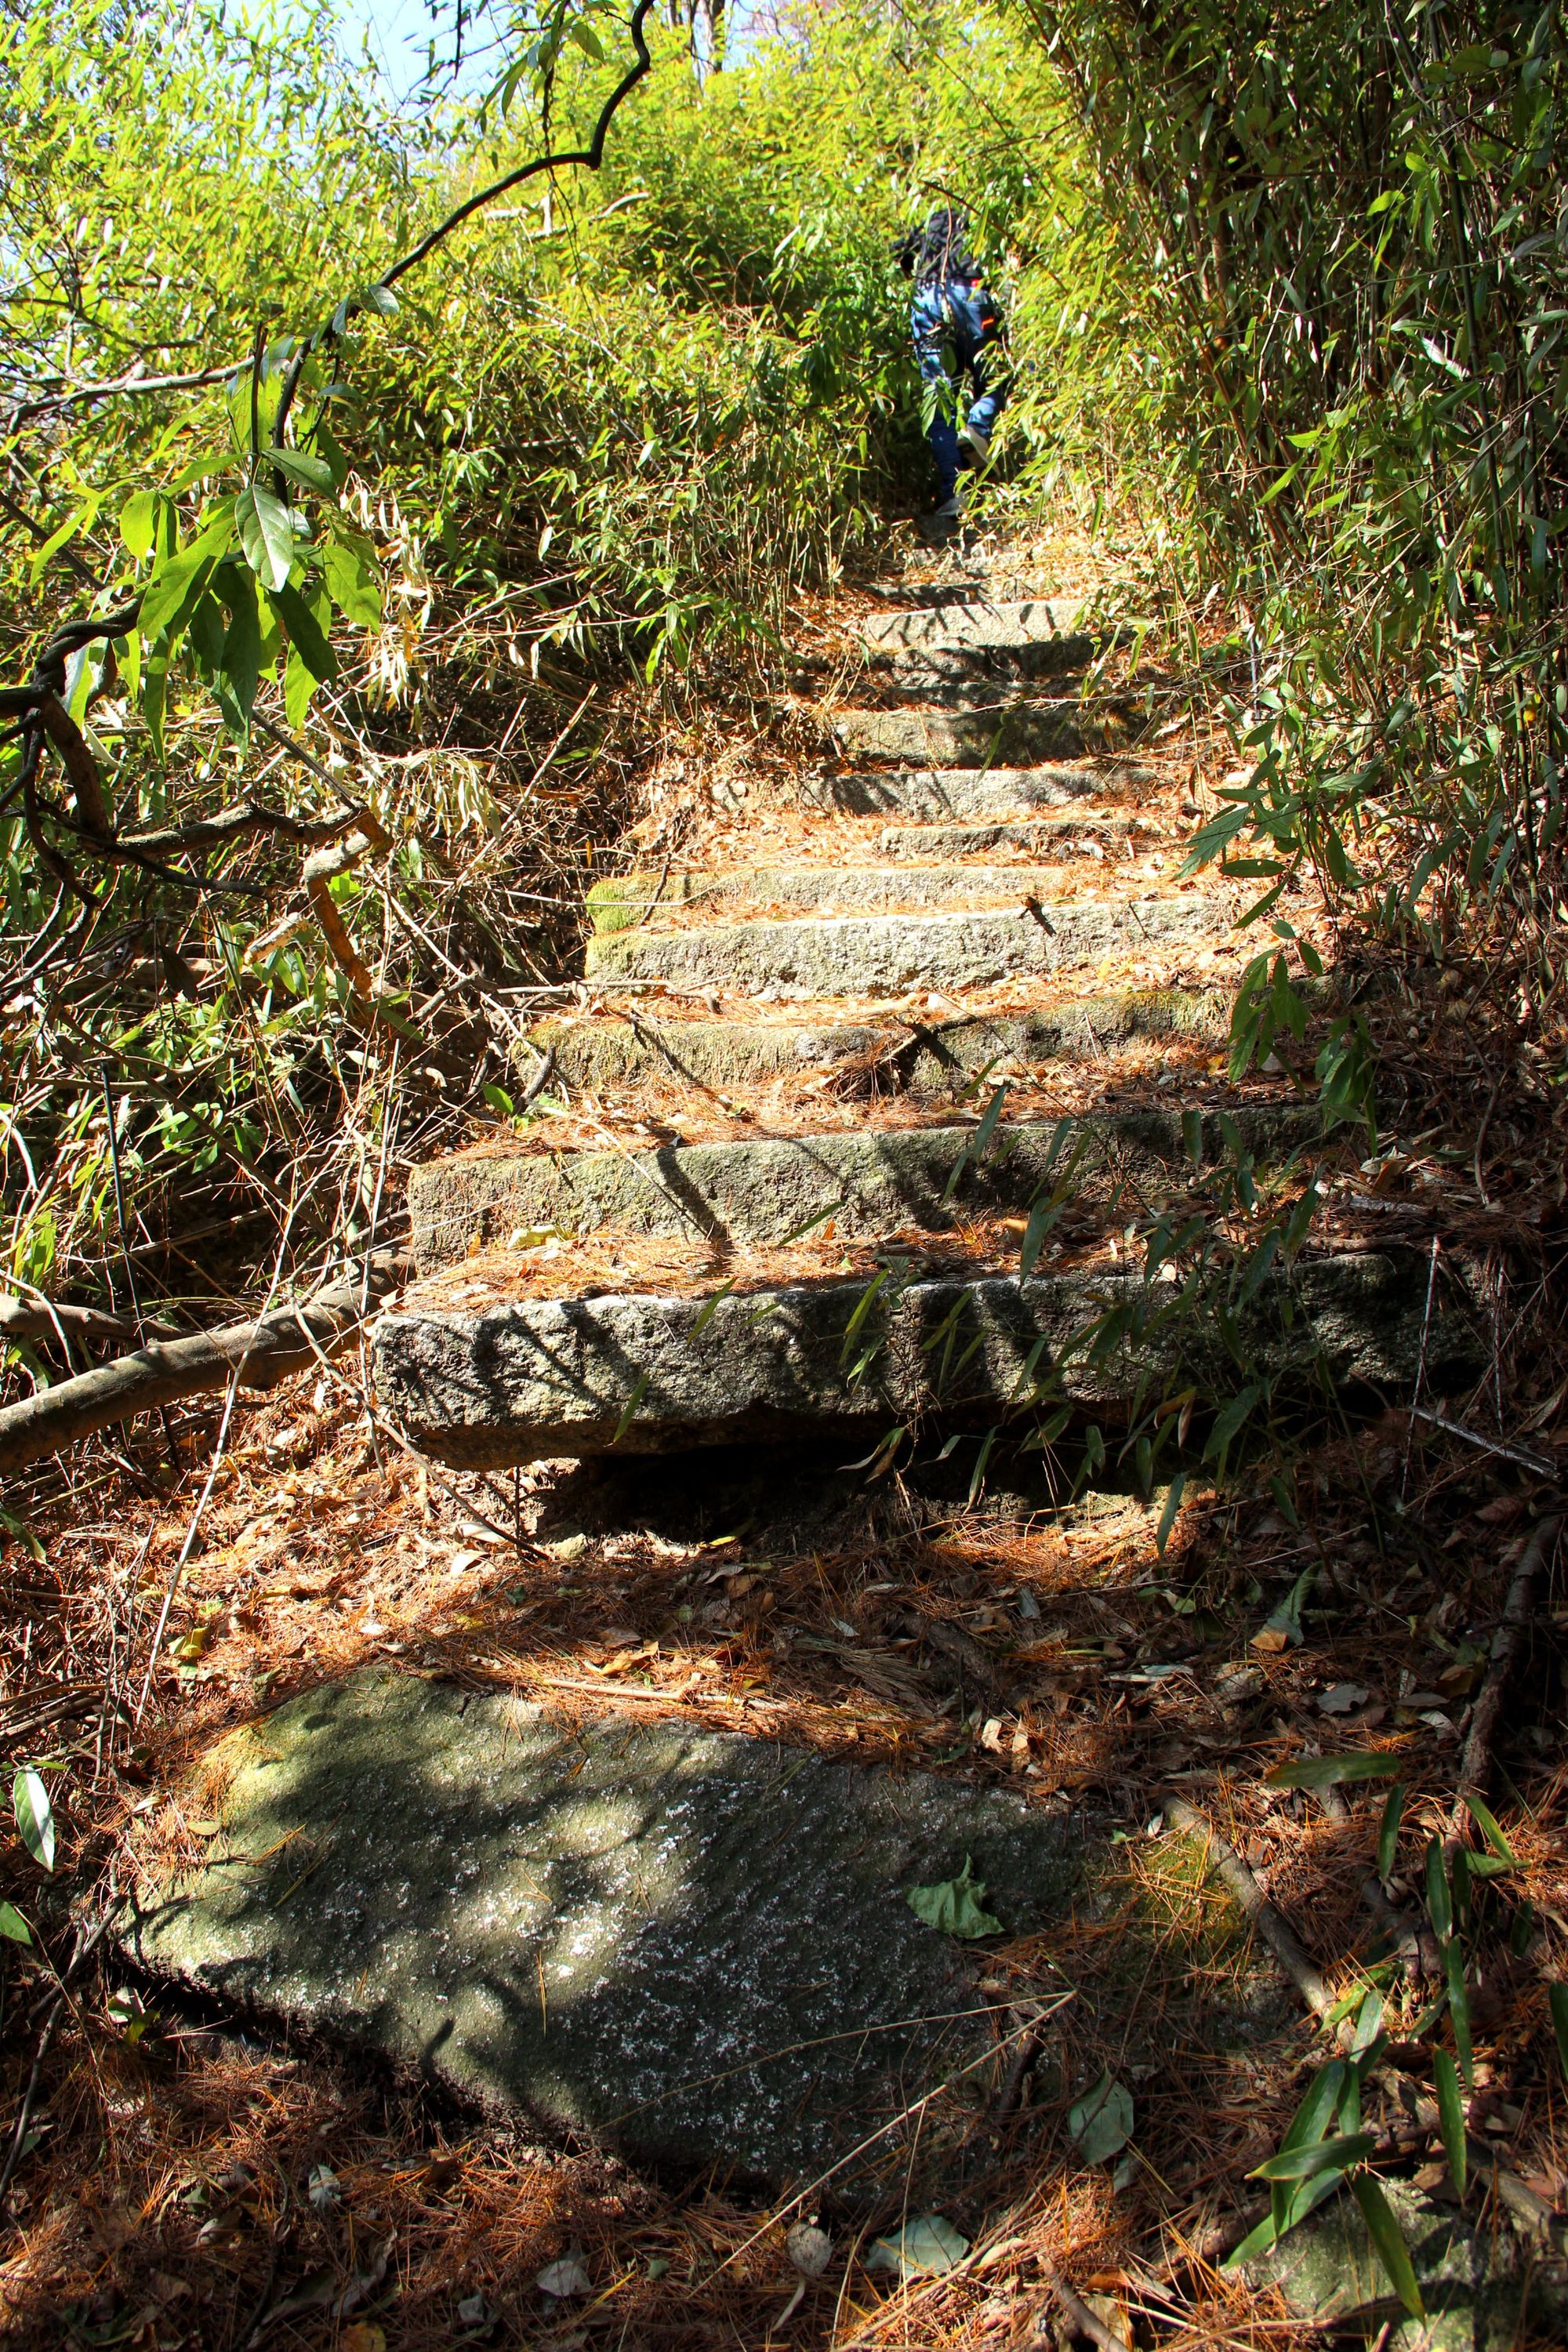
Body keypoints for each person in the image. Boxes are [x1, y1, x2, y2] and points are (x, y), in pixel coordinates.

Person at [895, 205, 1005, 524]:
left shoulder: (930, 225)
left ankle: (955, 494)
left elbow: (900, 255)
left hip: (929, 298)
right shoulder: (977, 222)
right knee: (994, 376)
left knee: (939, 393)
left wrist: (912, 271)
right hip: (971, 293)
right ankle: (977, 429)